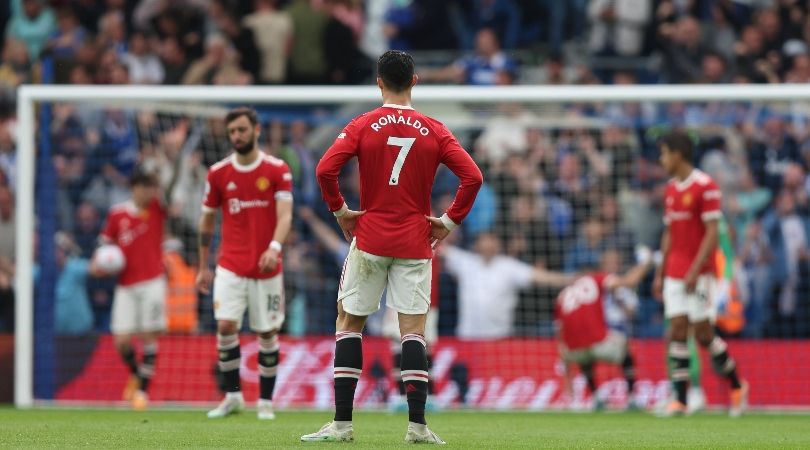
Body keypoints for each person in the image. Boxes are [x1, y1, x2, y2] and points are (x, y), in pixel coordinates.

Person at [301, 50, 483, 444]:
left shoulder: (364, 124)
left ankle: (343, 425)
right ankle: (417, 427)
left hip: (370, 238)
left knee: (350, 324)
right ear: (415, 81)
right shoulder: (435, 129)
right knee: (413, 332)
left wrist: (341, 212)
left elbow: (324, 169)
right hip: (417, 241)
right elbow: (473, 177)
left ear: (378, 82)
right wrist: (449, 222)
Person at [196, 107, 293, 420]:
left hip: (267, 268)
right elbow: (207, 222)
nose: (236, 136)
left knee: (266, 334)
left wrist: (275, 247)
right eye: (232, 132)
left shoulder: (278, 170)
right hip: (230, 265)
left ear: (256, 130)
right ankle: (233, 396)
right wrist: (202, 266)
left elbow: (285, 215)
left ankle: (265, 402)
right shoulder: (218, 173)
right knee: (225, 325)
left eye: (241, 130)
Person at [652, 131, 748, 417]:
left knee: (704, 335)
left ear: (677, 155)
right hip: (675, 272)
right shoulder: (670, 189)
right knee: (677, 330)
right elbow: (669, 233)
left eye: (664, 153)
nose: (661, 159)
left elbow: (712, 235)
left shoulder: (706, 186)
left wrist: (695, 269)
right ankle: (680, 400)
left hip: (701, 273)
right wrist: (661, 271)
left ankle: (737, 385)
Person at [96, 167, 174, 410]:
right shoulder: (117, 215)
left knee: (150, 335)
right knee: (121, 341)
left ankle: (142, 392)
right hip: (125, 285)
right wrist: (99, 264)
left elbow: (171, 185)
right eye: (145, 187)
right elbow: (104, 248)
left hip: (152, 280)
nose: (150, 191)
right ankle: (137, 373)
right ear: (134, 188)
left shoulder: (157, 209)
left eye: (152, 187)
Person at [555, 249, 652, 411]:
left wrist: (567, 376)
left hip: (573, 351)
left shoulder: (563, 295)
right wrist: (646, 263)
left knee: (584, 356)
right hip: (599, 343)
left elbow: (560, 334)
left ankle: (597, 397)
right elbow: (630, 281)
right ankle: (632, 398)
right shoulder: (597, 278)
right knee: (625, 349)